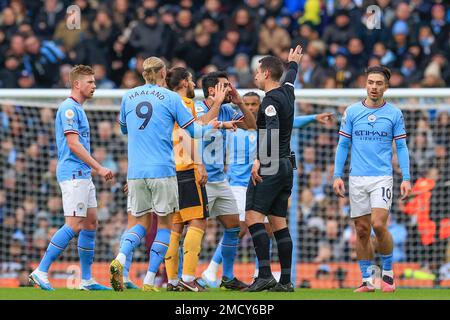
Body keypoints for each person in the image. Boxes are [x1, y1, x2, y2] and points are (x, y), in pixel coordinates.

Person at [109, 57, 238, 292]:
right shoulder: (171, 98)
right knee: (168, 227)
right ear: (163, 73)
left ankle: (120, 257)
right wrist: (217, 112)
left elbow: (124, 129)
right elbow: (194, 132)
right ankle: (158, 280)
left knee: (140, 223)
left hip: (135, 171)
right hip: (166, 170)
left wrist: (219, 124)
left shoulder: (128, 96)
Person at [219, 92, 334, 280]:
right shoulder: (236, 125)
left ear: (260, 105)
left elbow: (292, 122)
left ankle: (261, 273)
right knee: (237, 229)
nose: (250, 107)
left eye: (254, 104)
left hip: (263, 181)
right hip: (238, 185)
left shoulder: (266, 123)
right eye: (246, 103)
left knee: (268, 229)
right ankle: (218, 269)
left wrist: (314, 117)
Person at [29, 65, 114, 291]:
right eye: (90, 82)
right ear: (77, 84)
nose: (94, 86)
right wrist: (99, 167)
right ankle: (40, 271)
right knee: (74, 224)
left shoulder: (79, 108)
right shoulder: (68, 108)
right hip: (74, 173)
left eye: (95, 82)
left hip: (83, 174)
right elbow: (73, 144)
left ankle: (86, 280)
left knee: (90, 223)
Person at [333, 65, 412, 293]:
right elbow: (343, 145)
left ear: (386, 86)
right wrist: (337, 175)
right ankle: (367, 280)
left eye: (379, 83)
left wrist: (406, 178)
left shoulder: (394, 113)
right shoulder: (352, 112)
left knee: (378, 224)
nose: (374, 87)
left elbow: (402, 146)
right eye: (370, 82)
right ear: (365, 84)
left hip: (382, 178)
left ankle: (387, 274)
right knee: (362, 230)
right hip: (356, 177)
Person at [244, 45, 303, 292]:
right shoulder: (287, 93)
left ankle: (265, 275)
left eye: (258, 72)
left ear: (266, 74)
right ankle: (286, 281)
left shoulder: (269, 100)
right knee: (278, 222)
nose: (255, 76)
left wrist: (259, 159)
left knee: (252, 217)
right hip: (287, 166)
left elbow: (271, 130)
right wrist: (293, 65)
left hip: (272, 163)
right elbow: (289, 81)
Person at [196, 71, 256, 290]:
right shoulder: (198, 107)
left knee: (233, 227)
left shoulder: (227, 109)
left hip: (220, 180)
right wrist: (218, 103)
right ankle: (181, 278)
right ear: (212, 90)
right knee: (192, 229)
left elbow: (251, 125)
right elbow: (200, 127)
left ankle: (228, 277)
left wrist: (239, 102)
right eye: (225, 86)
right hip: (199, 179)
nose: (230, 89)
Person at [163, 67, 217, 292]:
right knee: (197, 222)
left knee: (175, 227)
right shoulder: (184, 104)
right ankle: (188, 277)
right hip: (187, 168)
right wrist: (199, 164)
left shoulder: (164, 104)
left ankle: (173, 281)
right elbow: (189, 134)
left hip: (169, 170)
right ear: (184, 82)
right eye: (192, 80)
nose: (194, 84)